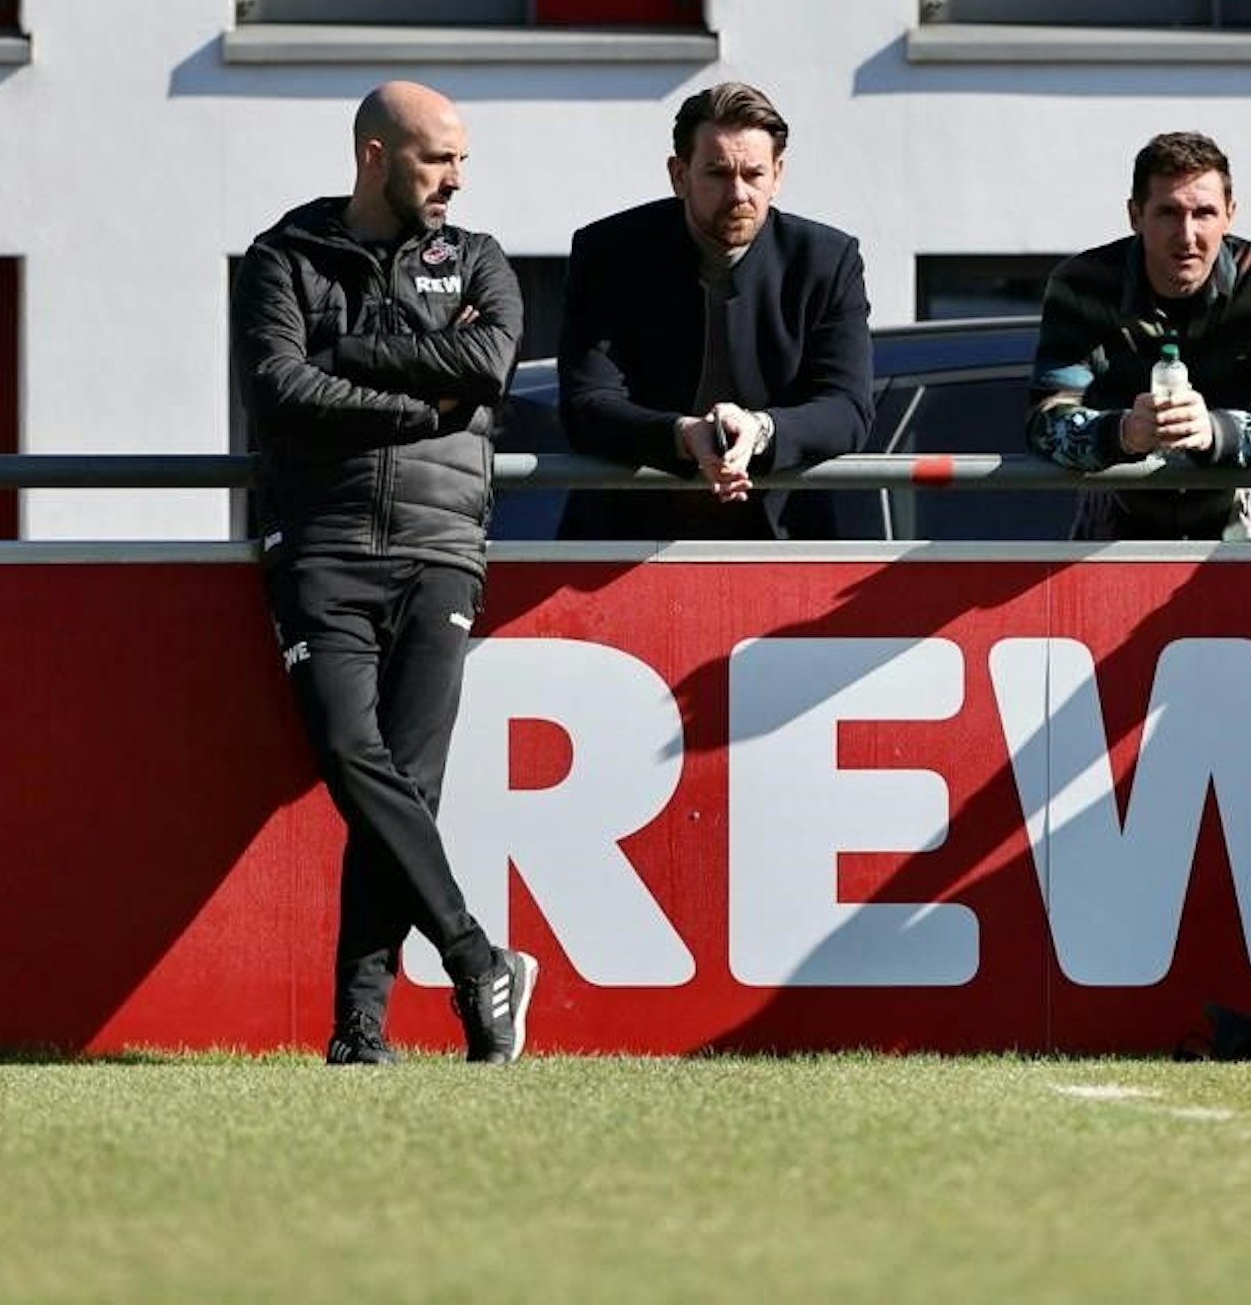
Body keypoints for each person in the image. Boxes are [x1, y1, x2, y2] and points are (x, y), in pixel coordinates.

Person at [232, 80, 538, 1064]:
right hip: (319, 543)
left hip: (442, 546)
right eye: (434, 157)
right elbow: (280, 387)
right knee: (351, 756)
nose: (454, 177)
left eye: (460, 158)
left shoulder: (479, 258)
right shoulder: (284, 256)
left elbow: (487, 364)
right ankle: (475, 955)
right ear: (374, 154)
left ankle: (359, 1031)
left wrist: (353, 353)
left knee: (402, 785)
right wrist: (418, 400)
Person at [556, 81, 874, 539]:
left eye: (754, 174)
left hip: (779, 541)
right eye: (719, 174)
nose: (740, 193)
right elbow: (586, 404)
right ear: (679, 175)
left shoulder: (826, 260)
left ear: (778, 174)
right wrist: (682, 435)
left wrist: (760, 431)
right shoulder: (609, 253)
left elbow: (848, 409)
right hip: (624, 544)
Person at [1026, 131, 1251, 539]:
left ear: (1230, 215)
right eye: (1168, 212)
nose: (1186, 235)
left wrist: (1216, 431)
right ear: (1135, 215)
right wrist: (1122, 432)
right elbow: (1044, 421)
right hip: (1116, 510)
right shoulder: (1082, 285)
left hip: (1242, 511)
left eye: (1204, 214)